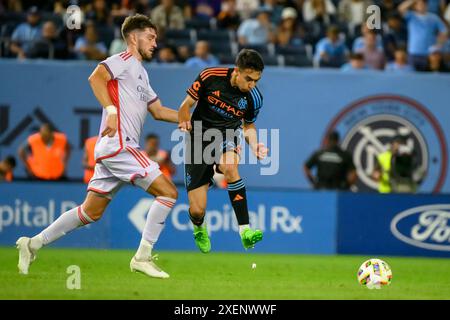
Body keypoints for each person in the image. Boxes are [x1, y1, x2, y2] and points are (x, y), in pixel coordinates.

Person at [16, 14, 179, 279]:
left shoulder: (142, 74)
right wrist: (111, 111)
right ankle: (142, 257)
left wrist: (191, 119)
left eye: (156, 39)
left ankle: (33, 243)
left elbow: (159, 111)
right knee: (169, 192)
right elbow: (95, 78)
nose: (155, 43)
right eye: (150, 37)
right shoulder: (122, 61)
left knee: (89, 212)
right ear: (133, 37)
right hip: (120, 145)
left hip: (112, 150)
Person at [178, 49, 268, 253]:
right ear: (237, 71)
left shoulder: (254, 97)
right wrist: (183, 119)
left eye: (256, 80)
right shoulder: (210, 76)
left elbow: (248, 127)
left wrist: (255, 145)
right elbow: (186, 105)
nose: (252, 84)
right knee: (197, 209)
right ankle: (199, 227)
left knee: (229, 166)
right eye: (249, 79)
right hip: (199, 137)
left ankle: (245, 231)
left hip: (228, 134)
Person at [398, 0, 447, 70]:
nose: (421, 6)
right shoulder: (411, 16)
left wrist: (439, 44)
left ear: (427, 5)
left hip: (428, 54)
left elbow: (444, 31)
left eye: (423, 4)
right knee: (412, 78)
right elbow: (400, 8)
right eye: (419, 4)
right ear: (415, 6)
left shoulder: (434, 17)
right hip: (413, 53)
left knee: (426, 78)